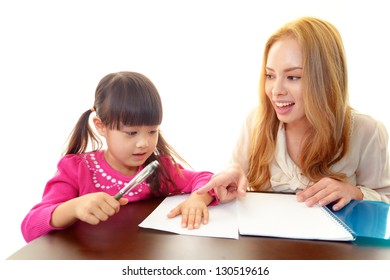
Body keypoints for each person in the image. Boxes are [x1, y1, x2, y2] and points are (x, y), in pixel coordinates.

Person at [198, 16, 390, 211]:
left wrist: (354, 193)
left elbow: (386, 201)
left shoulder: (367, 132)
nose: (276, 90)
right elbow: (233, 173)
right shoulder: (256, 122)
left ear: (326, 80)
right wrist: (230, 175)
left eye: (293, 77)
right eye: (270, 75)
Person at [21, 71, 215, 242]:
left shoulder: (159, 169)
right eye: (131, 133)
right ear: (100, 126)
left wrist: (198, 199)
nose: (144, 143)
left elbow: (205, 180)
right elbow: (30, 228)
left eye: (152, 131)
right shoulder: (76, 170)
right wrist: (73, 208)